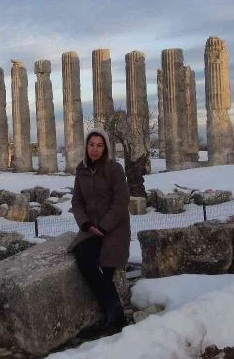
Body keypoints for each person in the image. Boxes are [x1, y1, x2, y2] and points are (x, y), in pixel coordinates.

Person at [67, 128, 131, 332]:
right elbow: (77, 201)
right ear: (86, 147)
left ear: (105, 148)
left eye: (100, 145)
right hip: (91, 228)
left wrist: (104, 226)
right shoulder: (81, 170)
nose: (95, 149)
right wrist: (85, 223)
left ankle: (113, 316)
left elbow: (121, 202)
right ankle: (115, 314)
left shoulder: (115, 169)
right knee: (83, 256)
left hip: (114, 228)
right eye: (92, 145)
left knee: (107, 266)